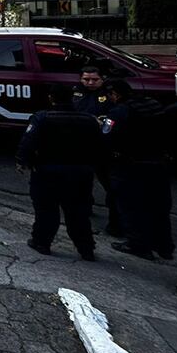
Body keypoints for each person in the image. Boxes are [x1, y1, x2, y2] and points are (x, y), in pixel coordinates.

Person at [16, 84, 102, 261]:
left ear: (51, 98)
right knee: (78, 212)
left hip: (48, 171)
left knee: (46, 210)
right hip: (80, 173)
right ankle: (86, 248)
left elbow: (28, 142)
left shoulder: (42, 118)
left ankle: (42, 242)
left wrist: (22, 161)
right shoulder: (89, 120)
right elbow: (99, 146)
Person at [101, 80, 174, 260]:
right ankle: (165, 246)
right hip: (158, 163)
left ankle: (138, 245)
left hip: (130, 165)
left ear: (115, 95)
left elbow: (106, 138)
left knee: (131, 206)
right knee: (159, 207)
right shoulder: (152, 104)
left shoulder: (119, 111)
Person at [72, 66, 121, 237]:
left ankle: (116, 223)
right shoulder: (75, 92)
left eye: (94, 79)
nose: (90, 82)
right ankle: (85, 208)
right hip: (80, 144)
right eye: (86, 79)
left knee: (108, 182)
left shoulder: (109, 93)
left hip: (103, 145)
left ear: (102, 79)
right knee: (81, 181)